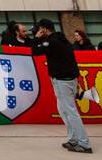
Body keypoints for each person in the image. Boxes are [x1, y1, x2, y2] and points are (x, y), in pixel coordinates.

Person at [30, 18, 92, 153]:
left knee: (71, 112)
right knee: (63, 110)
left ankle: (84, 143)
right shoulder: (61, 39)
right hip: (68, 79)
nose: (38, 32)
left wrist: (36, 38)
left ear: (44, 29)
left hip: (62, 80)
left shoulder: (53, 42)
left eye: (40, 29)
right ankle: (73, 139)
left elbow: (35, 51)